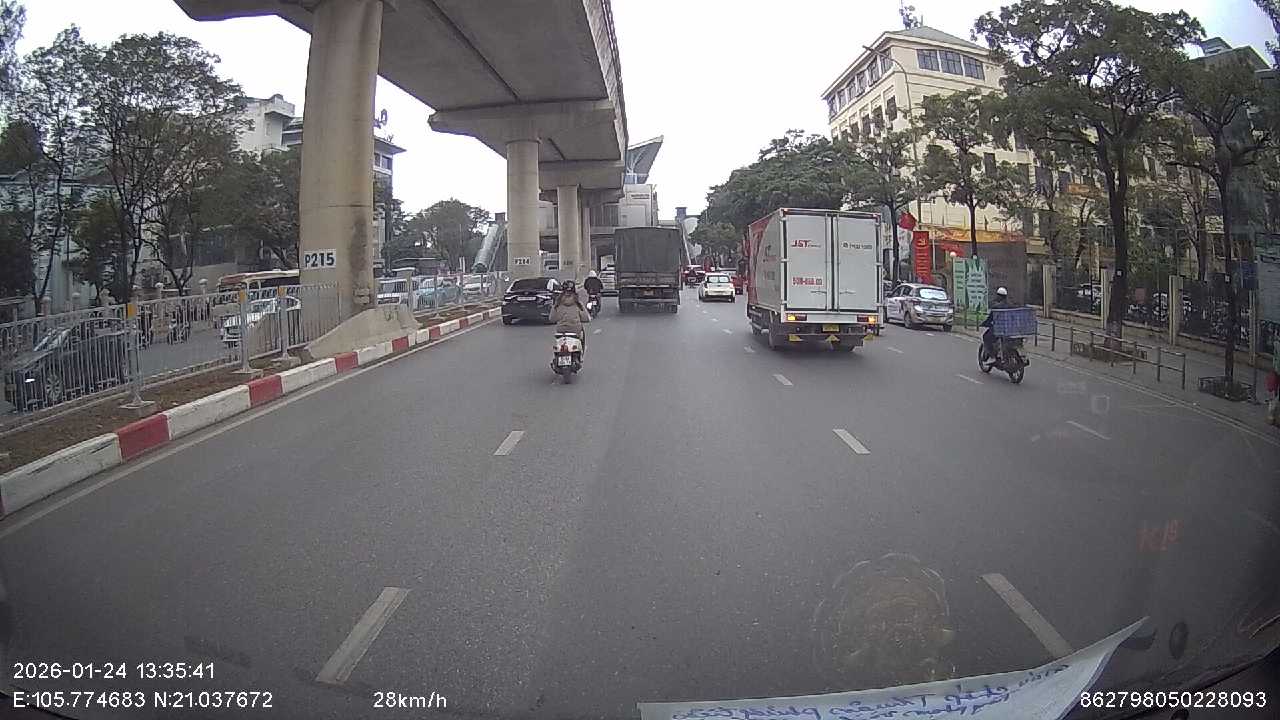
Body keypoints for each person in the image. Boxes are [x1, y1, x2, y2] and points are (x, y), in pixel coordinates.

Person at [549, 281, 591, 353]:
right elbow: (586, 318)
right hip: (575, 330)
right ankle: (581, 353)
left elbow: (551, 318)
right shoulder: (578, 303)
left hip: (561, 330)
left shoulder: (557, 303)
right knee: (582, 335)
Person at [980, 286, 1011, 360]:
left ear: (999, 296)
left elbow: (990, 318)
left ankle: (992, 354)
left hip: (998, 329)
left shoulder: (996, 307)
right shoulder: (1010, 306)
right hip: (1010, 329)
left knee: (985, 337)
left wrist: (984, 323)